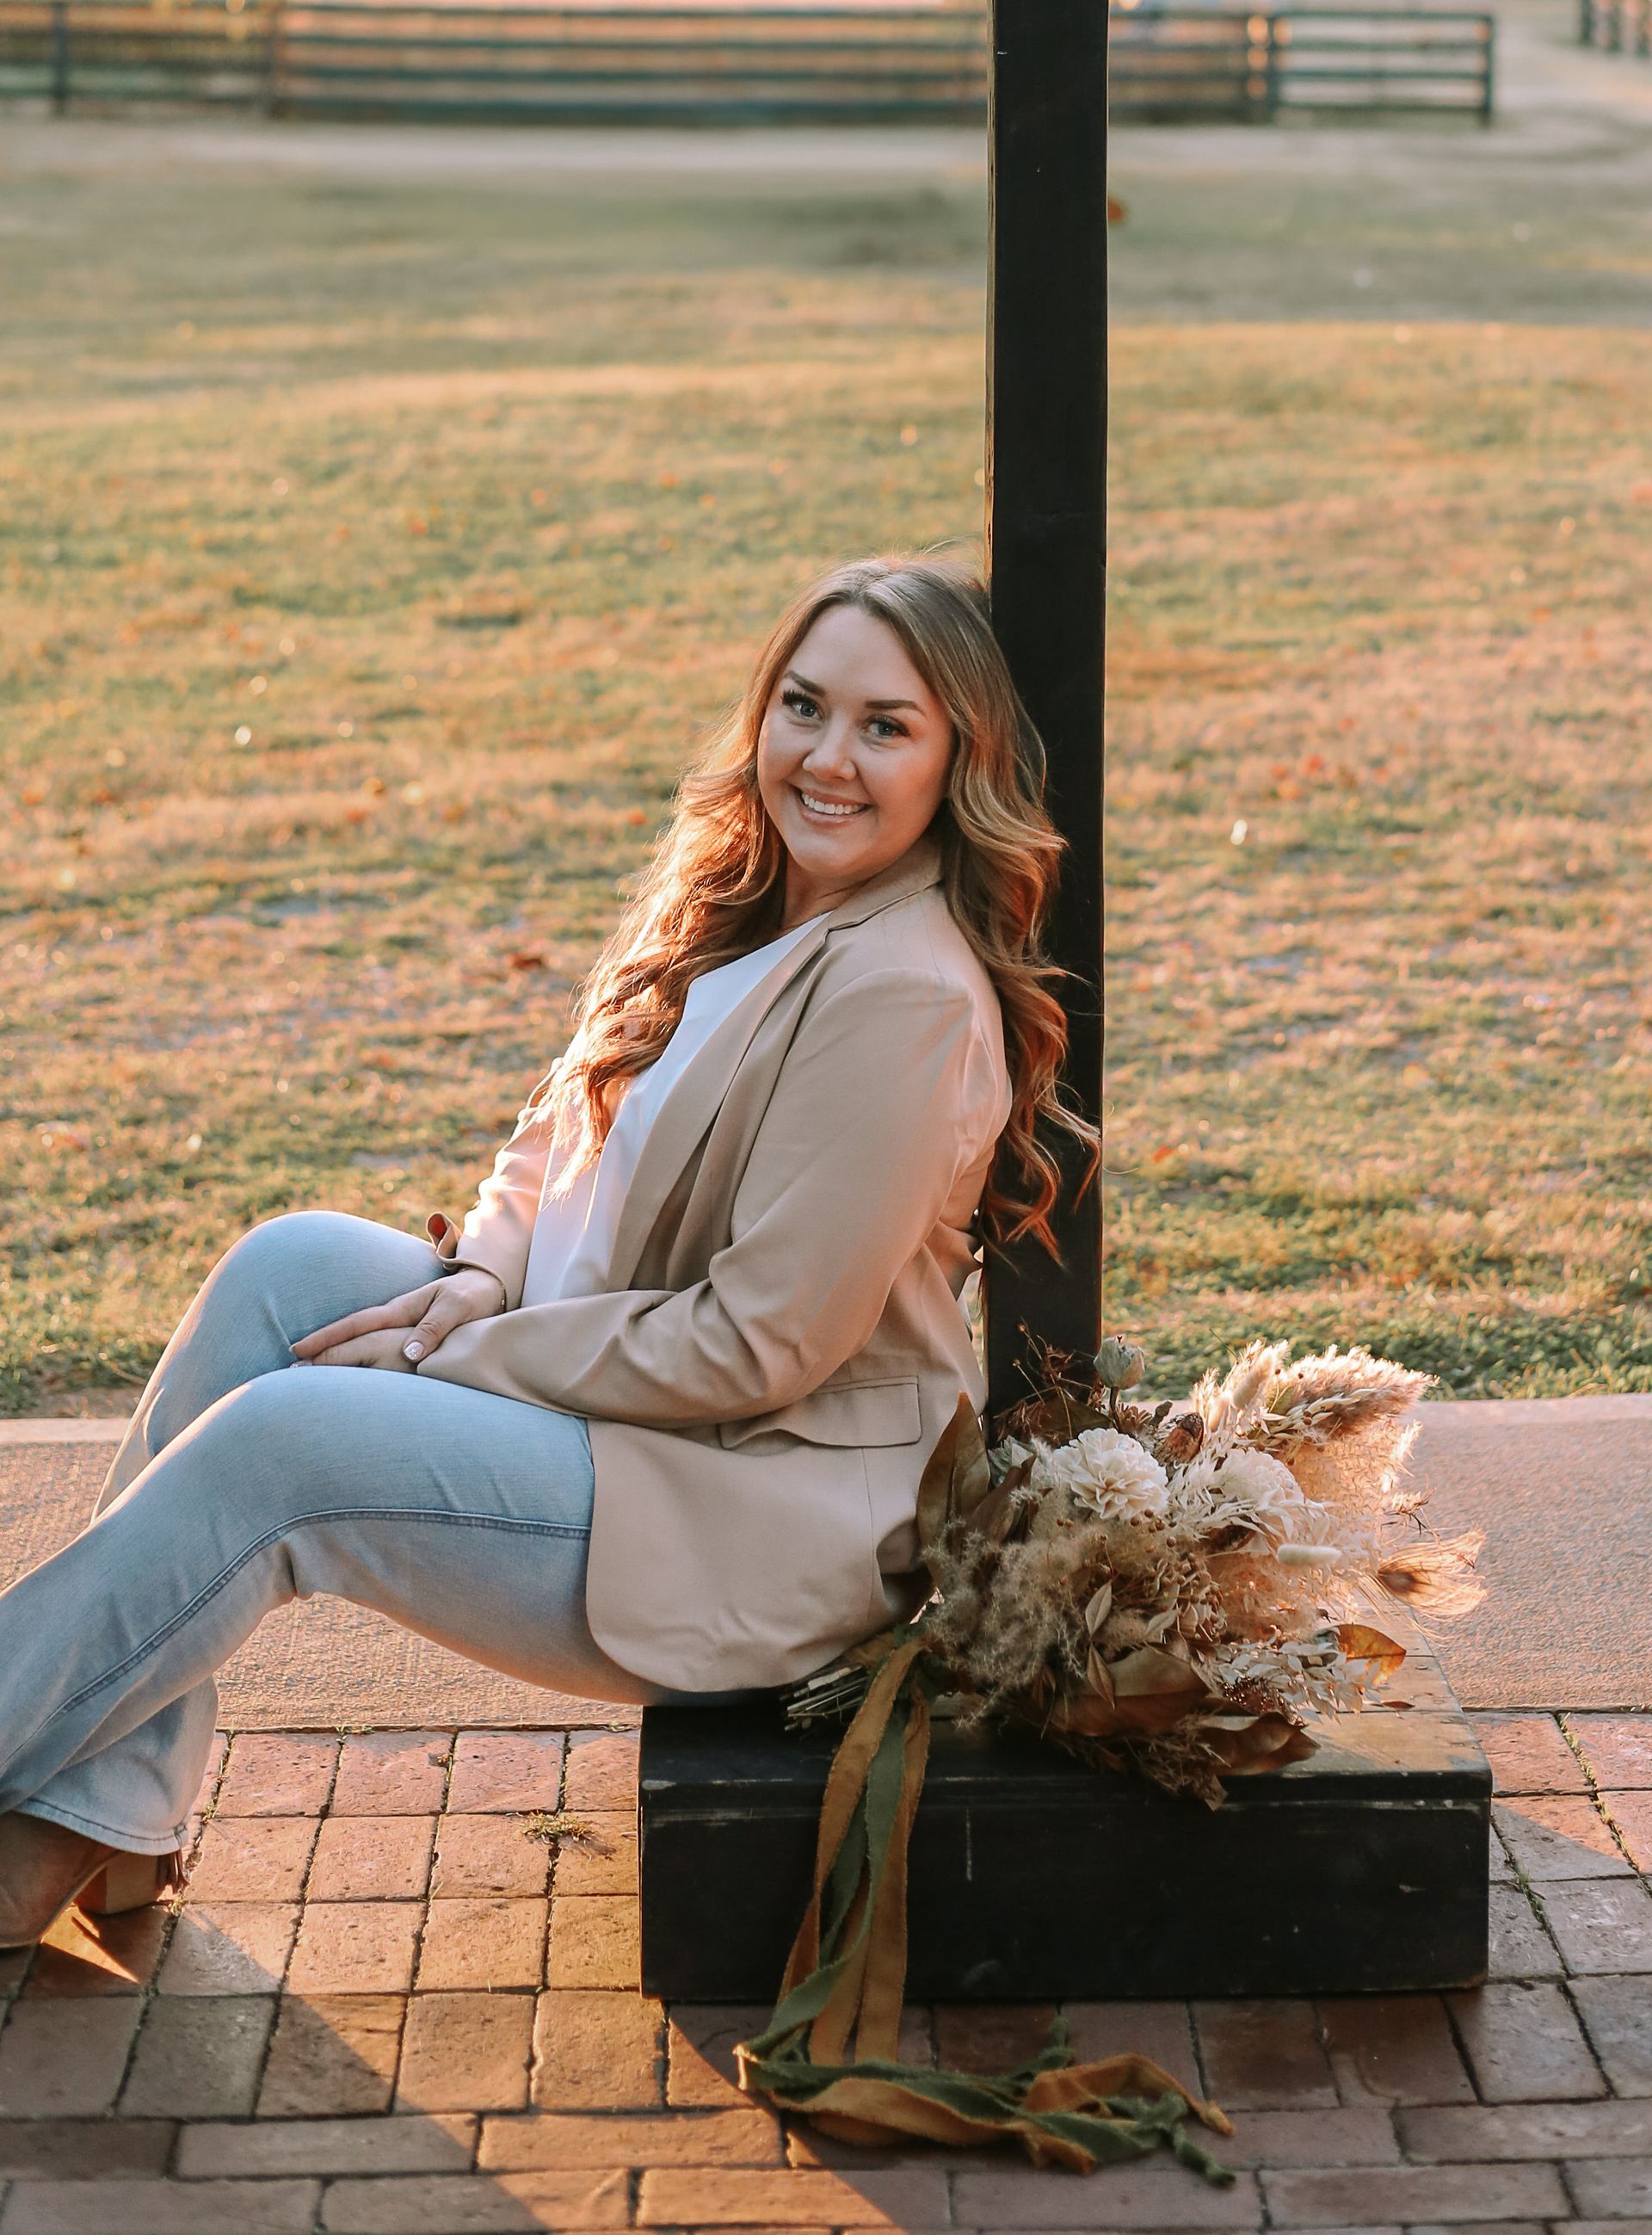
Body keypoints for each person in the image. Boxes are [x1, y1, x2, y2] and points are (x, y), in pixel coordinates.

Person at [0, 552, 1098, 1948]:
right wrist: (475, 1274)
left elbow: (762, 1343)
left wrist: (470, 1353)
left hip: (753, 1505)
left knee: (281, 1448)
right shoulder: (749, 894)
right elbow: (557, 1126)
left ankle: (59, 1809)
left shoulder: (904, 991)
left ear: (961, 761)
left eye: (888, 726)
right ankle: (98, 1814)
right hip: (605, 1382)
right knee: (287, 1269)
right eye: (805, 706)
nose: (830, 758)